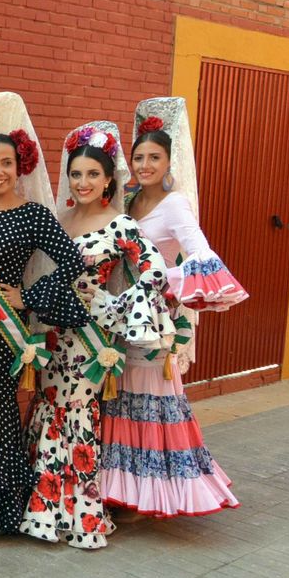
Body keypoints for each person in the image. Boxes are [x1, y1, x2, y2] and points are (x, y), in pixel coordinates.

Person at [19, 121, 177, 549]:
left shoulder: (121, 225)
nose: (83, 182)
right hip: (51, 333)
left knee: (78, 417)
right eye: (76, 174)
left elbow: (155, 272)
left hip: (90, 341)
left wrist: (113, 309)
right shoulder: (59, 216)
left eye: (92, 174)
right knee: (48, 410)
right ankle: (43, 512)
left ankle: (80, 516)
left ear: (109, 179)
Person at [0, 92, 92, 534]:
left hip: (6, 331)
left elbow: (72, 261)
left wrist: (27, 297)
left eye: (5, 163)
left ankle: (2, 507)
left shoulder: (32, 215)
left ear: (19, 166)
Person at [103, 96, 243, 517]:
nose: (145, 165)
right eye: (139, 157)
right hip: (119, 321)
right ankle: (124, 490)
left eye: (154, 158)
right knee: (122, 399)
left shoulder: (175, 203)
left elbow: (197, 252)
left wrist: (162, 280)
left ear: (168, 162)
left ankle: (162, 492)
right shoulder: (127, 204)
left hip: (152, 324)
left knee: (152, 400)